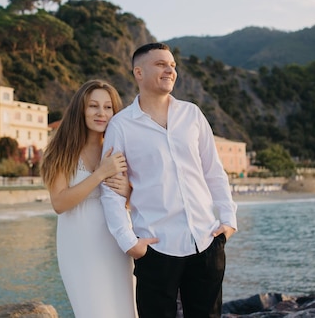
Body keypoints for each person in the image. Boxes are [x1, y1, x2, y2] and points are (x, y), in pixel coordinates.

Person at [100, 42, 238, 318]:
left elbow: (214, 171)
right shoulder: (121, 125)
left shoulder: (192, 114)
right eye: (161, 64)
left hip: (206, 241)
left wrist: (228, 220)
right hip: (156, 248)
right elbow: (112, 190)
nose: (170, 70)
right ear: (138, 72)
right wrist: (129, 242)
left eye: (173, 65)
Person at [40, 79, 137, 318]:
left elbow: (136, 200)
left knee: (128, 310)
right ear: (80, 109)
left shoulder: (118, 148)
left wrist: (128, 191)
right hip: (79, 245)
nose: (101, 113)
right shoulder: (60, 151)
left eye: (108, 107)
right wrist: (101, 173)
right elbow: (59, 203)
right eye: (93, 106)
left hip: (118, 241)